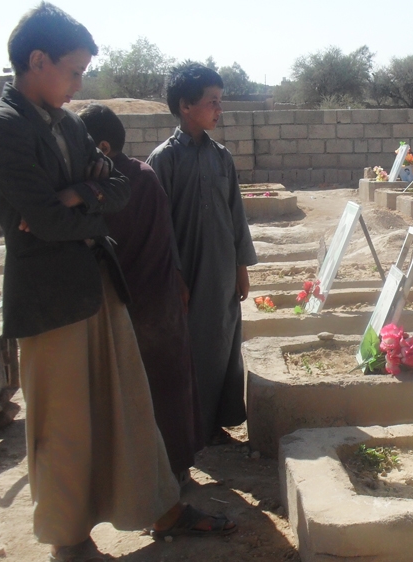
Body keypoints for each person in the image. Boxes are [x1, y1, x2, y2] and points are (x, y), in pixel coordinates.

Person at [0, 5, 233, 559]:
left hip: (101, 286)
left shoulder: (67, 122)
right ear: (37, 60)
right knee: (66, 426)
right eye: (72, 71)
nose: (78, 84)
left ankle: (160, 508)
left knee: (130, 405)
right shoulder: (2, 128)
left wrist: (73, 196)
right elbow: (42, 223)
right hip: (51, 301)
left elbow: (117, 189)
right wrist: (73, 201)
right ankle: (71, 539)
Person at [78, 103, 204, 482]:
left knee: (144, 391)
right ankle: (178, 469)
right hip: (162, 299)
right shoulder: (145, 174)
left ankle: (154, 477)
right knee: (170, 386)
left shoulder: (105, 188)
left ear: (101, 147)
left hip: (132, 303)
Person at [147, 62, 257, 444]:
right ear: (185, 106)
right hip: (186, 275)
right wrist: (173, 277)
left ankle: (216, 422)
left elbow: (236, 215)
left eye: (219, 101)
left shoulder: (221, 157)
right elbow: (158, 228)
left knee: (224, 345)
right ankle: (190, 426)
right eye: (212, 102)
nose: (219, 109)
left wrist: (241, 266)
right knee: (190, 350)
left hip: (223, 272)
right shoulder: (163, 160)